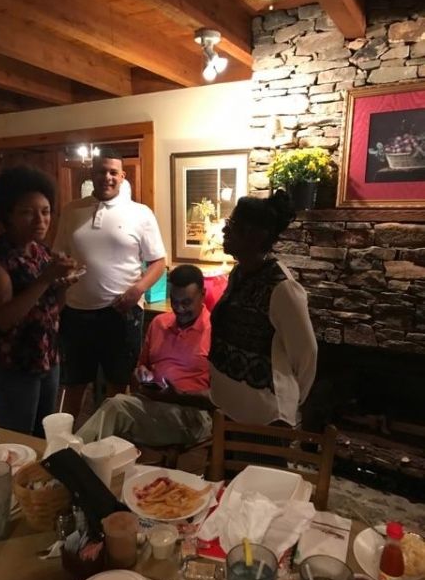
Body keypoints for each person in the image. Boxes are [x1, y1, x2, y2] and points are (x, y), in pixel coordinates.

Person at [53, 148, 166, 417]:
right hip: (76, 313)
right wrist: (62, 274)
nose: (107, 177)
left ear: (122, 176)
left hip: (122, 314)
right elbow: (58, 254)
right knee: (73, 384)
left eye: (113, 172)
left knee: (119, 385)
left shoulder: (141, 213)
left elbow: (159, 262)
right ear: (91, 174)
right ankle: (64, 437)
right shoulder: (71, 211)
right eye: (101, 171)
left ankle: (111, 438)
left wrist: (137, 290)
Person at [0, 165, 78, 436]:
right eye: (27, 213)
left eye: (45, 211)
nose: (40, 220)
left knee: (45, 435)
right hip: (11, 363)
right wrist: (46, 279)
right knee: (19, 437)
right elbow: (4, 319)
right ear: (7, 215)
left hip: (46, 356)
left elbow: (52, 309)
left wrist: (62, 287)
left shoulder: (41, 251)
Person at [209, 191, 317, 428]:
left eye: (233, 224)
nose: (225, 230)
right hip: (228, 407)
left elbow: (306, 356)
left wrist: (293, 401)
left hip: (265, 417)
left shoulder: (283, 288)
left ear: (256, 236)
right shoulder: (239, 274)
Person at [76, 264, 212, 447]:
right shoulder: (159, 323)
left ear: (202, 294)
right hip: (152, 404)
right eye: (174, 301)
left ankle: (71, 454)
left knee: (116, 411)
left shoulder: (216, 332)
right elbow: (140, 369)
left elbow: (219, 398)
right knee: (114, 407)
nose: (179, 308)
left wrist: (180, 396)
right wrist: (141, 374)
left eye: (186, 302)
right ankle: (80, 456)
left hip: (192, 414)